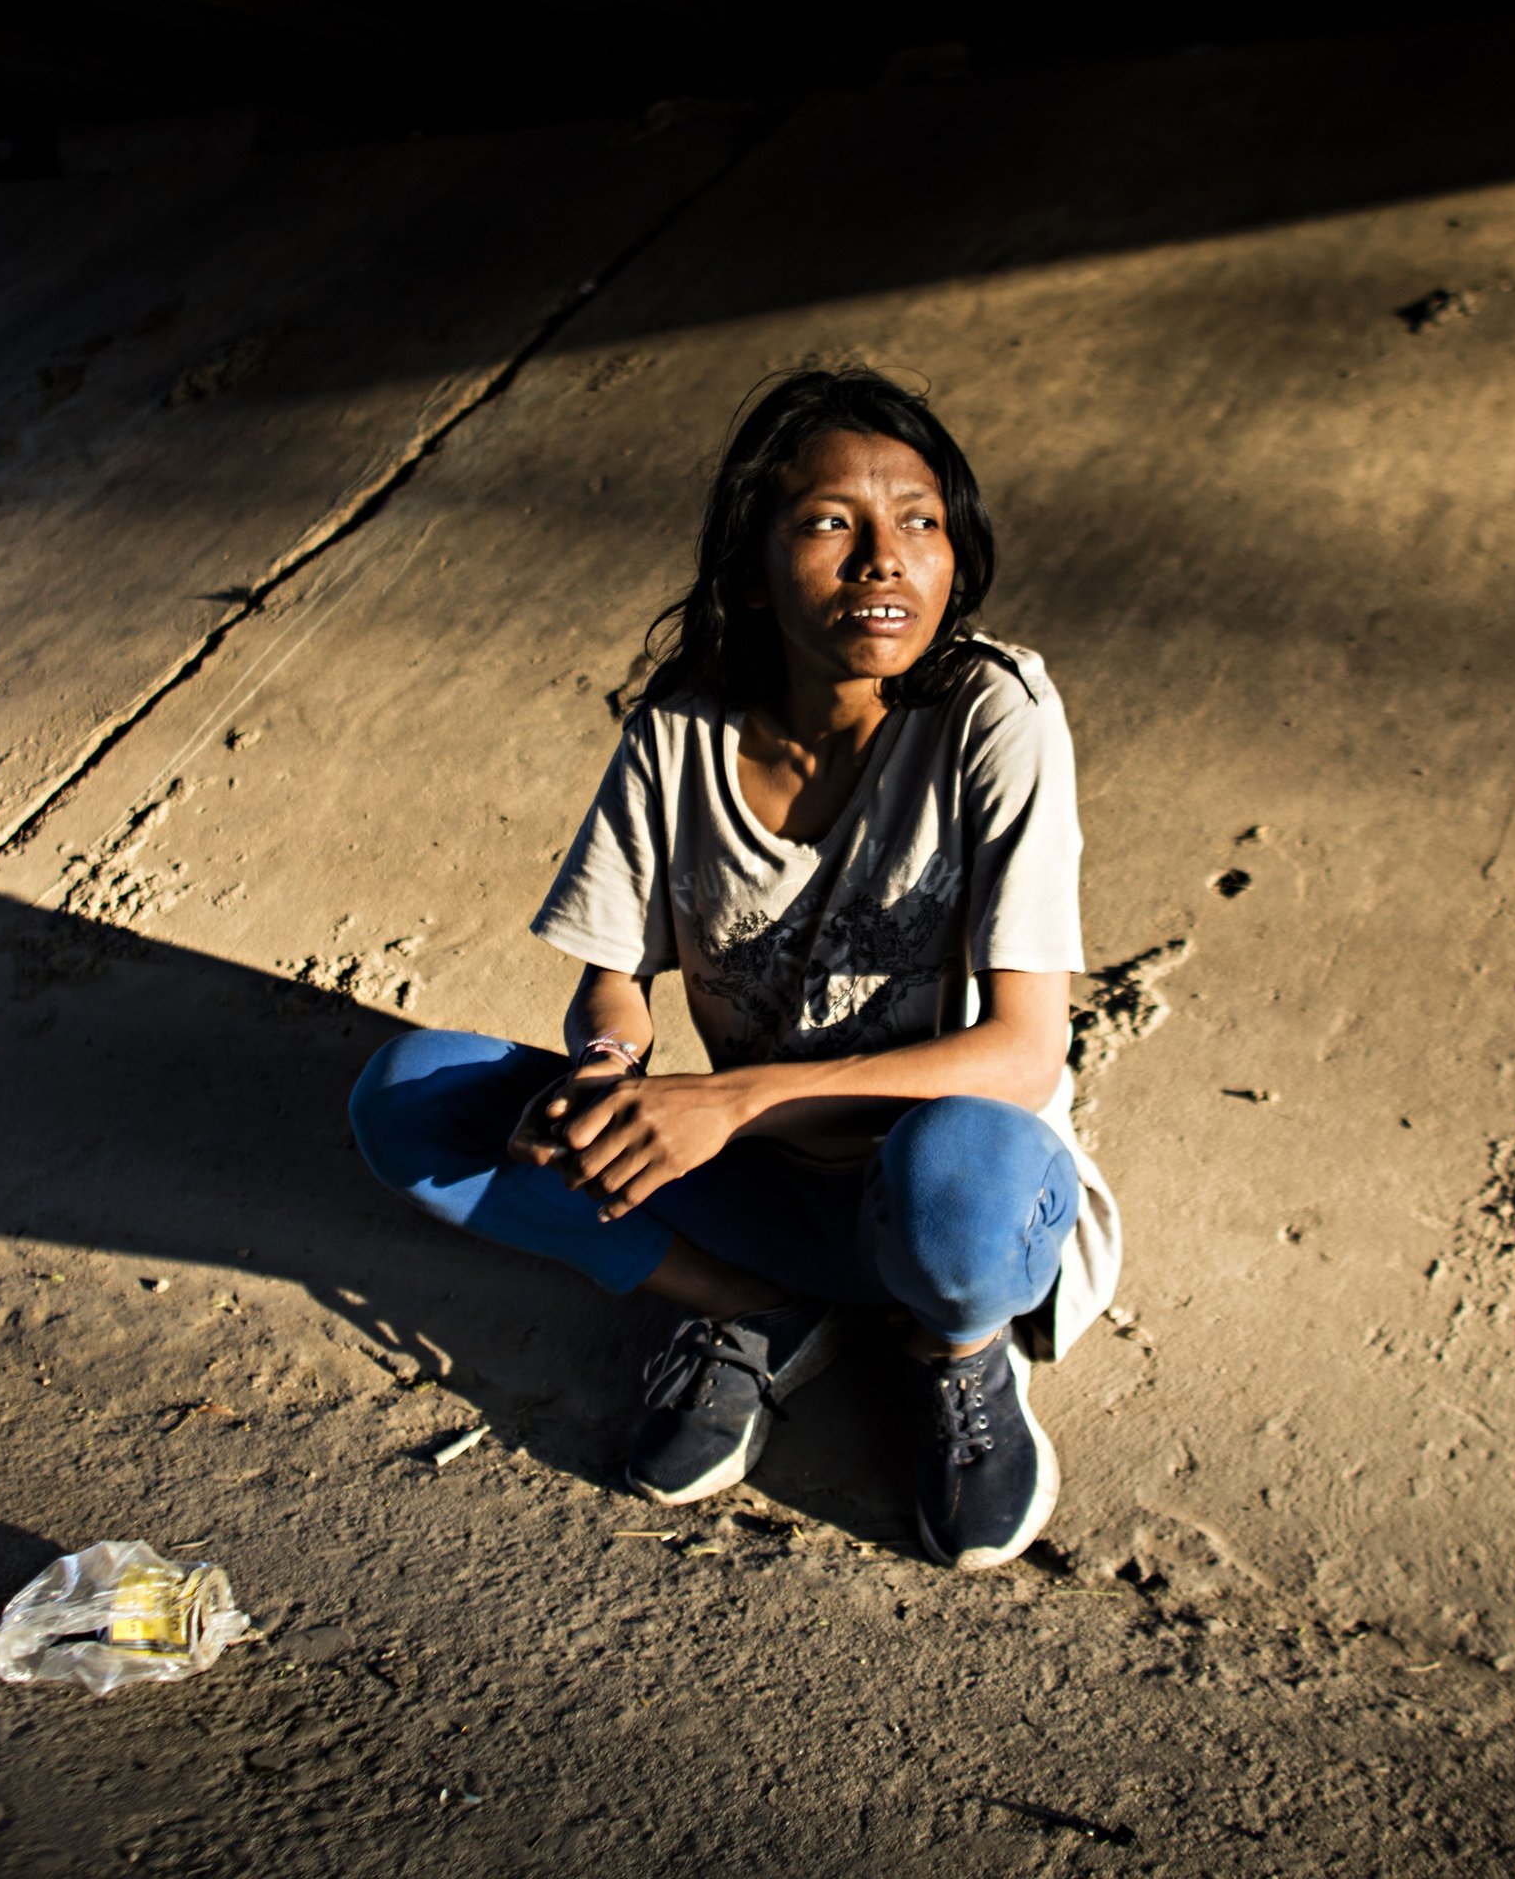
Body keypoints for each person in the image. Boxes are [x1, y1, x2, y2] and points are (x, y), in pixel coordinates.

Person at [347, 367, 1119, 1570]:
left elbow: (1024, 1054)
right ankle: (748, 1305)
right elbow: (614, 980)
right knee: (409, 1099)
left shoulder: (991, 709)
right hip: (751, 1183)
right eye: (829, 523)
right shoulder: (678, 730)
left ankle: (954, 1351)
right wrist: (606, 1069)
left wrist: (730, 1100)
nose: (883, 560)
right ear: (751, 569)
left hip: (937, 1185)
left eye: (919, 522)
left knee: (958, 1174)